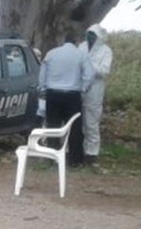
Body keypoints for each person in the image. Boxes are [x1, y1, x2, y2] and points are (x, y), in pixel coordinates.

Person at [38, 27, 95, 166]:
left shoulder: (52, 53)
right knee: (75, 128)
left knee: (53, 126)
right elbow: (90, 74)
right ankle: (75, 160)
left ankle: (52, 157)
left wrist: (43, 89)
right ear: (76, 41)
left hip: (53, 94)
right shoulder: (81, 55)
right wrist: (83, 89)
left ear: (63, 40)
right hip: (72, 95)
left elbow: (42, 73)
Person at [78, 24, 113, 165]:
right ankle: (76, 151)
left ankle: (91, 154)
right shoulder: (81, 47)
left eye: (93, 35)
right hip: (79, 87)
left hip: (95, 91)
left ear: (99, 37)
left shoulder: (106, 51)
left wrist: (89, 65)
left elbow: (105, 71)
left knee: (91, 123)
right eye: (89, 34)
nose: (90, 37)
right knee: (76, 121)